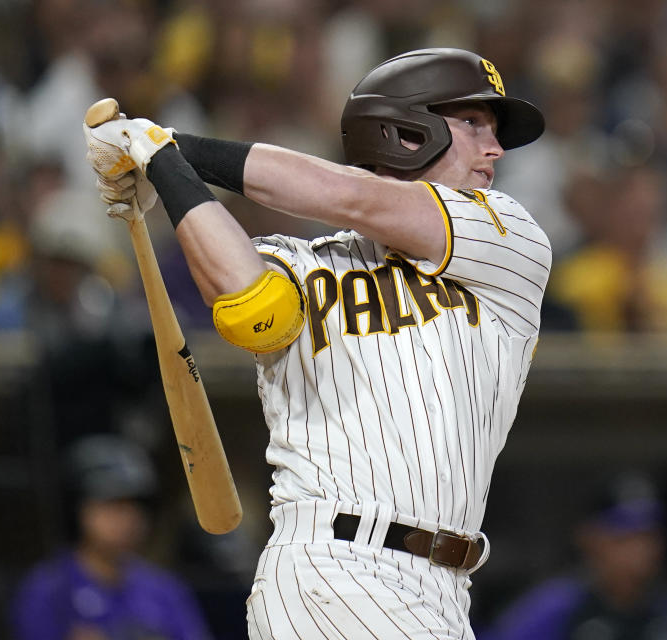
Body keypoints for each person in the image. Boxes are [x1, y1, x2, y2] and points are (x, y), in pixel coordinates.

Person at [83, 47, 550, 639]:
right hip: (332, 568)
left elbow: (350, 197)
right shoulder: (301, 262)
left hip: (443, 590)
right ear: (408, 132)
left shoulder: (507, 237)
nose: (496, 148)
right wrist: (165, 171)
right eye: (473, 123)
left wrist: (164, 146)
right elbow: (252, 307)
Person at [11, 433, 212, 640]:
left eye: (136, 506)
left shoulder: (166, 591)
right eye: (113, 505)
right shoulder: (48, 589)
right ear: (79, 509)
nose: (127, 520)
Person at [490, 475, 667, 640]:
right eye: (624, 537)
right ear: (589, 538)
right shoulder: (553, 608)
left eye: (648, 536)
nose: (640, 550)